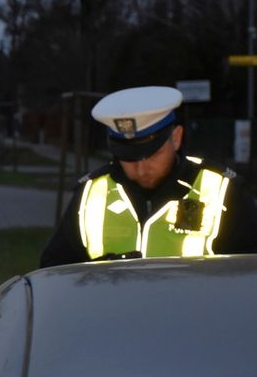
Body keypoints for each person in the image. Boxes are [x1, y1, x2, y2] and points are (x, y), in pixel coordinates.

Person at [41, 86, 257, 267]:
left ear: (176, 138)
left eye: (153, 155)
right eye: (129, 158)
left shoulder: (222, 191)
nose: (142, 169)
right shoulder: (90, 194)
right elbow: (55, 274)